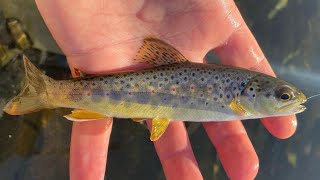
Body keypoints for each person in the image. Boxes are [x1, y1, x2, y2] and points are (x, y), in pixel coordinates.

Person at [35, 1, 297, 179]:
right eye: (283, 96)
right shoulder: (238, 102)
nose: (287, 100)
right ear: (252, 91)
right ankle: (48, 93)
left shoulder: (242, 98)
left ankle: (51, 92)